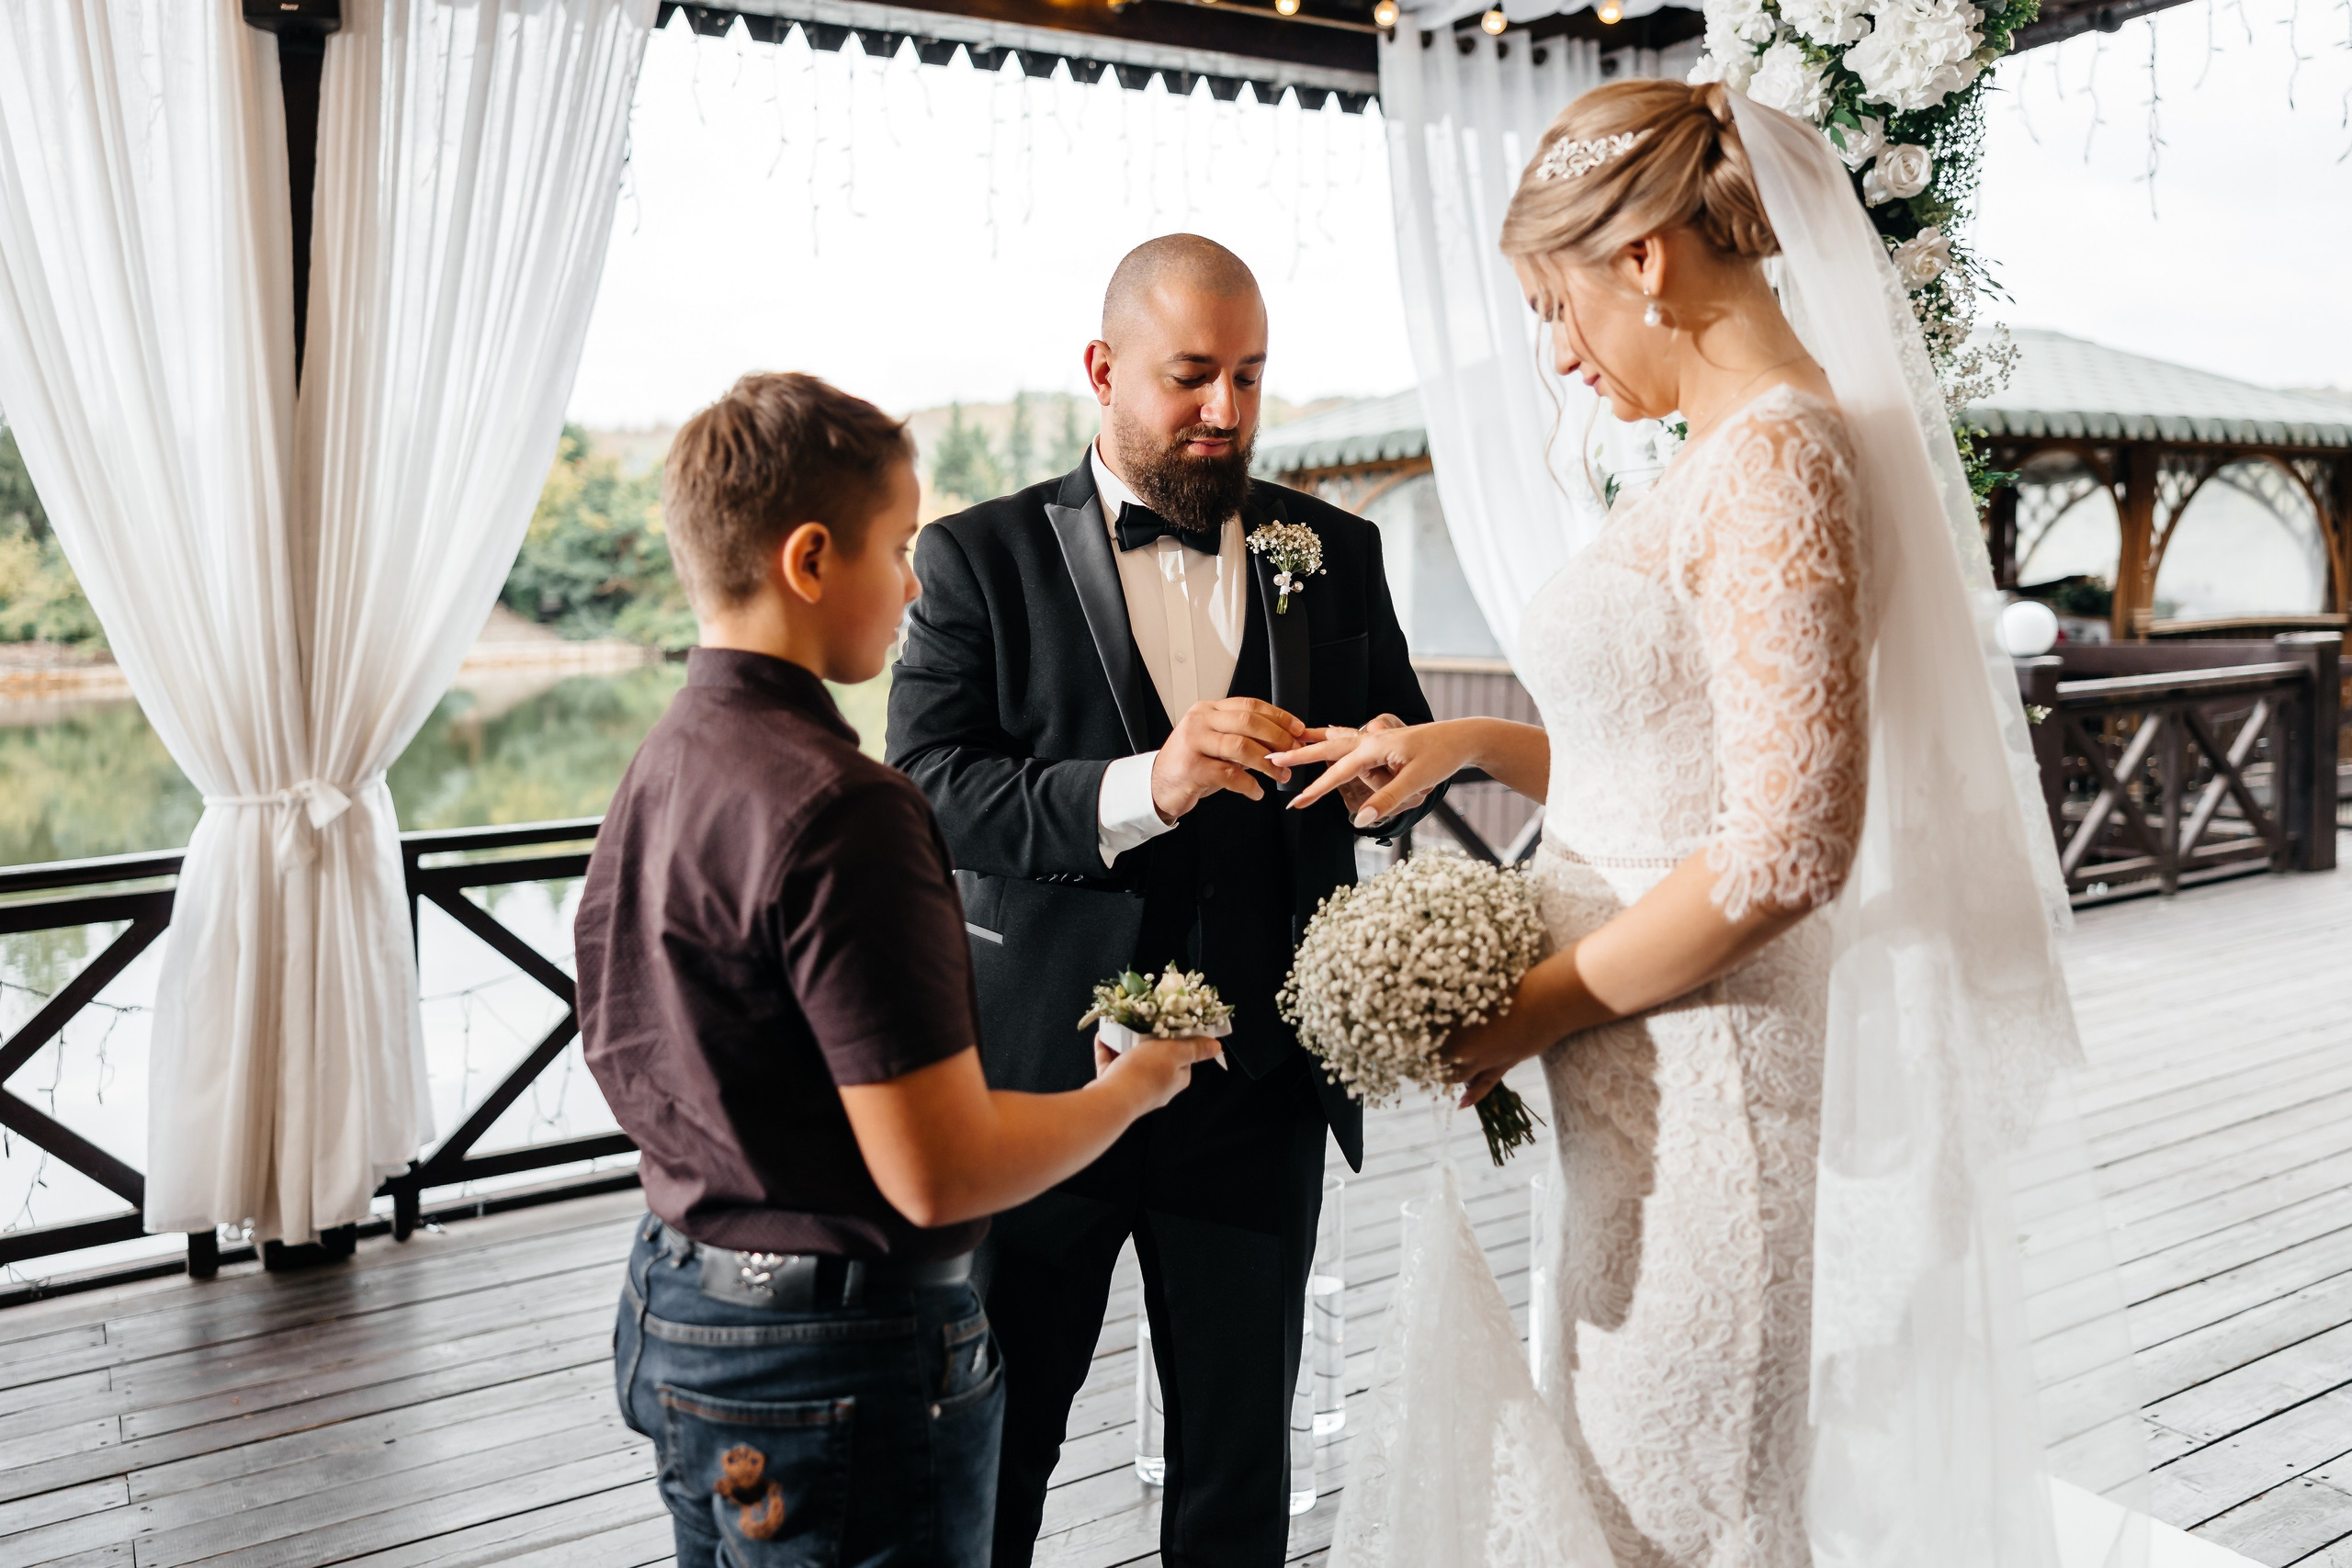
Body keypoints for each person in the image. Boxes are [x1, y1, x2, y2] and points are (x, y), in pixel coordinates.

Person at [1291, 83, 2132, 1567]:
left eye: (1554, 306)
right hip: (1641, 1070)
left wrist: (1528, 1007)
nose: (1556, 352)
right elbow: (1671, 768)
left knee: (1683, 1507)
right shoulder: (1737, 447)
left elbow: (1788, 844)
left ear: (1645, 262)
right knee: (1626, 1479)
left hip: (1707, 1082)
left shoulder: (1775, 460)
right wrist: (1467, 745)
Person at [575, 372, 1222, 1568]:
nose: (918, 583)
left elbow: (618, 1039)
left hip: (677, 1308)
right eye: (899, 547)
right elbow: (937, 1177)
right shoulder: (845, 808)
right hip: (832, 1362)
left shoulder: (660, 759)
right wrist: (1133, 1089)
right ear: (809, 559)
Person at [885, 236, 1442, 1567]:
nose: (1227, 413)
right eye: (1193, 376)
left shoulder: (1334, 549)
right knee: (993, 1457)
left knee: (1241, 1477)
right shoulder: (977, 557)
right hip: (1040, 1095)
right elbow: (929, 786)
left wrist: (1384, 777)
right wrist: (1146, 782)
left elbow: (1409, 754)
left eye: (1251, 377)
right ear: (1103, 368)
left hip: (1255, 1096)